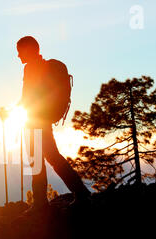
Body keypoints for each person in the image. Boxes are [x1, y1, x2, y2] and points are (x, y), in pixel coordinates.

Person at [17, 36, 90, 211]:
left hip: (35, 120)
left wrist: (16, 110)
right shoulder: (41, 67)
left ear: (30, 50)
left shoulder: (31, 69)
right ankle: (79, 193)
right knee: (52, 157)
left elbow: (27, 97)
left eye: (20, 52)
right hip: (42, 119)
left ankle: (41, 203)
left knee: (41, 159)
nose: (18, 56)